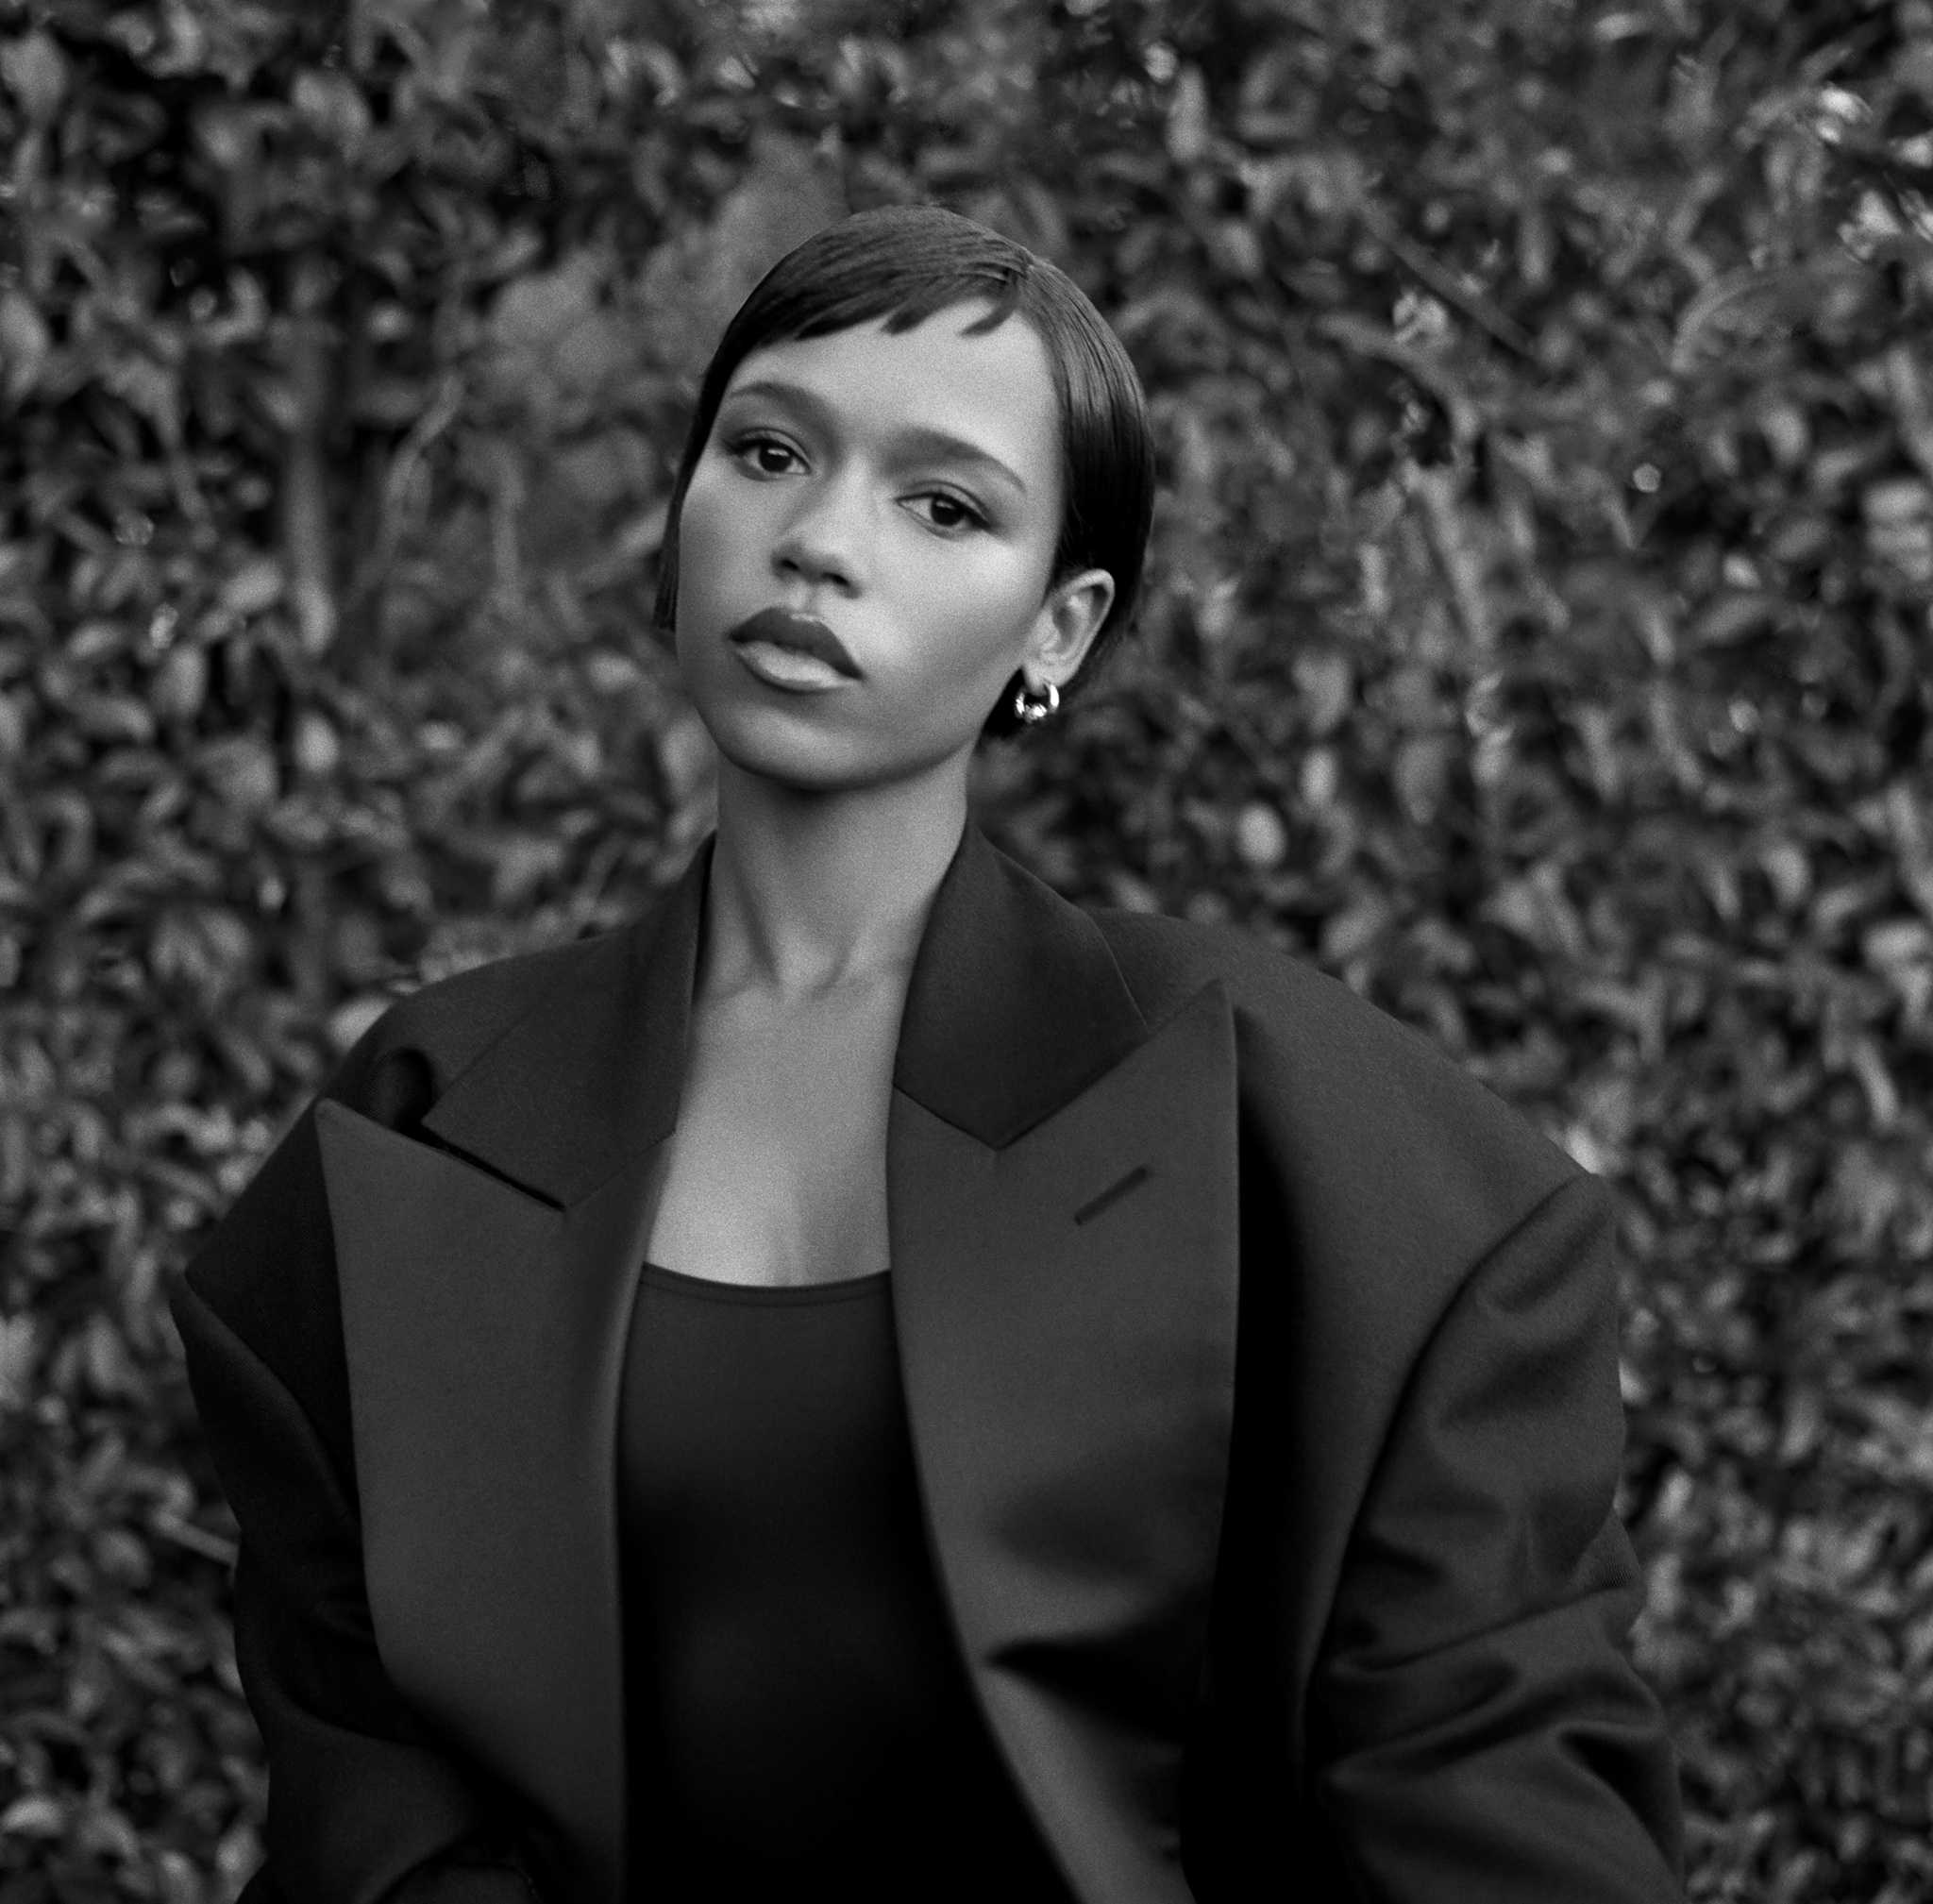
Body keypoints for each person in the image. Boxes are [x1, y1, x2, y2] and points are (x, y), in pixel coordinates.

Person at [172, 206, 1688, 1904]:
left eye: (944, 502)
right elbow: (379, 1821)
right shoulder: (415, 1128)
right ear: (680, 520)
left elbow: (1494, 1819)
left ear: (1058, 627)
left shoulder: (1343, 1163)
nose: (820, 539)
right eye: (768, 450)